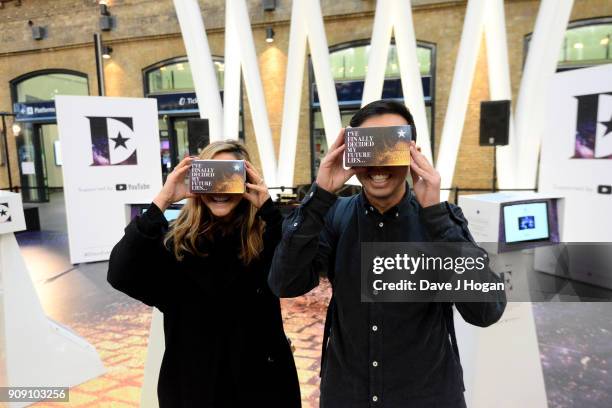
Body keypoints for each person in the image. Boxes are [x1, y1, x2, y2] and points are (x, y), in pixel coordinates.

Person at [268, 100, 507, 407]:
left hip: (427, 395)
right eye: (368, 148)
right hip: (348, 393)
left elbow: (486, 311)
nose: (378, 165)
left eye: (390, 147)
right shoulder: (334, 217)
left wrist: (435, 214)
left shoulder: (439, 220)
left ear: (412, 152)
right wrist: (320, 196)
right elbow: (285, 283)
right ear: (352, 154)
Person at [107, 140, 301, 407]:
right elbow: (120, 273)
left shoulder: (265, 236)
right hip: (193, 385)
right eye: (211, 177)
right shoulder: (174, 242)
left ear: (246, 180)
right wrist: (161, 201)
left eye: (229, 176)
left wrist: (268, 208)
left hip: (260, 385)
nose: (219, 190)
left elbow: (298, 266)